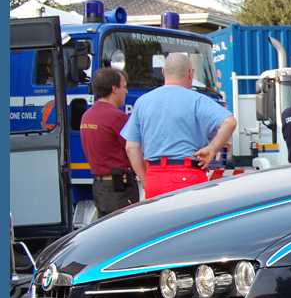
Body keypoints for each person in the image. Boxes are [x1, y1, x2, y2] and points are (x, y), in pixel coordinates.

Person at [121, 53, 236, 199]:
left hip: (155, 178)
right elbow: (229, 122)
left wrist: (145, 180)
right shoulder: (197, 100)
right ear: (190, 73)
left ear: (163, 72)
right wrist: (211, 149)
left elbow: (131, 148)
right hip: (189, 176)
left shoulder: (142, 102)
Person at [80, 68, 140, 217]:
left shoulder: (86, 116)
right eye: (124, 86)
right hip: (119, 190)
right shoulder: (117, 117)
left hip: (100, 187)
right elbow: (133, 149)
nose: (126, 92)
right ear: (114, 89)